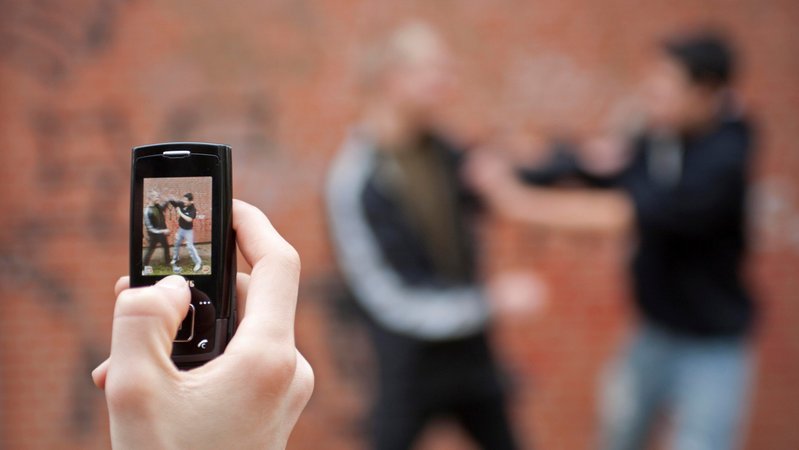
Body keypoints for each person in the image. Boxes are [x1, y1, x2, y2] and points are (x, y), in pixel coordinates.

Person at [468, 31, 757, 450]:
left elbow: (621, 214)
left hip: (710, 344)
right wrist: (520, 165)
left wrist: (518, 202)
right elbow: (600, 166)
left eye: (665, 85)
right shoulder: (659, 136)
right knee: (618, 436)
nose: (651, 94)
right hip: (653, 331)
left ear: (705, 91)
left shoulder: (723, 159)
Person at [326, 23, 521, 450]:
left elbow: (500, 179)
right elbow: (384, 293)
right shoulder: (356, 177)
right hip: (411, 364)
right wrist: (485, 303)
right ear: (392, 79)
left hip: (472, 357)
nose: (447, 80)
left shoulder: (444, 151)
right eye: (433, 68)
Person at [92, 200, 314, 449]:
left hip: (186, 238)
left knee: (187, 249)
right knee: (176, 249)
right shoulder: (169, 211)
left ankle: (192, 262)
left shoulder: (187, 211)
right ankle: (186, 262)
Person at [168, 192, 203, 273]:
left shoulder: (193, 209)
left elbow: (189, 219)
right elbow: (174, 202)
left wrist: (179, 212)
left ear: (191, 202)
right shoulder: (182, 204)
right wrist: (170, 198)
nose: (184, 202)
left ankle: (198, 263)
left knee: (190, 246)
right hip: (181, 229)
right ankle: (175, 258)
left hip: (188, 231)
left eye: (186, 200)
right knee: (176, 244)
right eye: (183, 200)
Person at [142, 189, 171, 271]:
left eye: (158, 195)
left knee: (166, 247)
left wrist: (168, 200)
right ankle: (144, 266)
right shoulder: (147, 211)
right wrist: (163, 231)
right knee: (150, 249)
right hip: (154, 235)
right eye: (156, 196)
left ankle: (167, 264)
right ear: (150, 198)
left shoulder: (157, 206)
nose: (158, 197)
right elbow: (150, 228)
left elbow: (163, 209)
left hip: (161, 233)